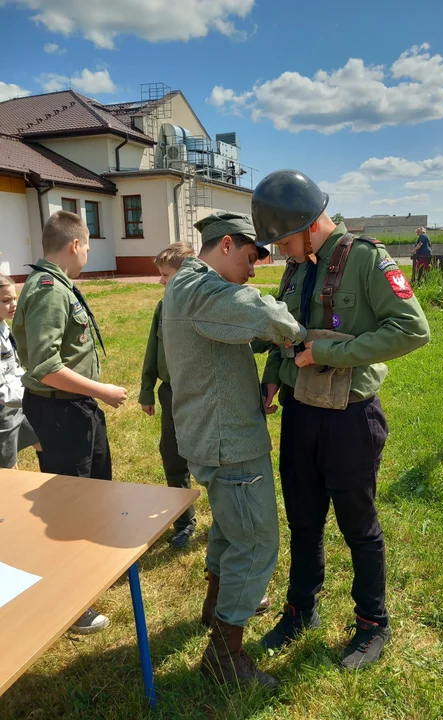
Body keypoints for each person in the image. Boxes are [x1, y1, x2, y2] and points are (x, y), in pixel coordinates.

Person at [252, 170, 430, 670]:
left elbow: (413, 330)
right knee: (304, 521)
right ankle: (299, 610)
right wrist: (272, 372)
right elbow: (287, 332)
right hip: (300, 413)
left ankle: (373, 623)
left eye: (284, 239)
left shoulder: (369, 260)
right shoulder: (295, 268)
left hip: (351, 417)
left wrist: (336, 350)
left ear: (310, 224)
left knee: (359, 527)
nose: (282, 251)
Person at [162, 211, 306, 688]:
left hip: (211, 434)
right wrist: (298, 333)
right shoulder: (203, 290)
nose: (254, 269)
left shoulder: (187, 283)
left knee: (229, 525)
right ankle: (224, 658)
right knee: (257, 541)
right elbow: (263, 313)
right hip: (229, 441)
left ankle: (214, 607)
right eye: (250, 257)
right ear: (225, 244)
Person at [13, 210, 127, 635]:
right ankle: (70, 602)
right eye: (88, 247)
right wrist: (103, 391)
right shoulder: (47, 290)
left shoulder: (59, 285)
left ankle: (91, 571)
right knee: (68, 506)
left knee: (95, 490)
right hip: (61, 411)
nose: (88, 254)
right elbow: (44, 366)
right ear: (75, 245)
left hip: (77, 409)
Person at [139, 242, 198, 549]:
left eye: (165, 274)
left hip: (200, 395)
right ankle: (183, 521)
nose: (161, 281)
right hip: (171, 394)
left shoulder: (201, 303)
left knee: (208, 461)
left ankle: (227, 524)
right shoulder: (163, 307)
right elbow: (153, 349)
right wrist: (147, 389)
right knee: (173, 457)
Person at [0, 273, 41, 469]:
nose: (13, 304)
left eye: (15, 298)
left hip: (20, 403)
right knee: (8, 470)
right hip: (3, 414)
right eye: (6, 300)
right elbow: (1, 391)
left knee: (44, 441)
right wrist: (32, 393)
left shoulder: (4, 326)